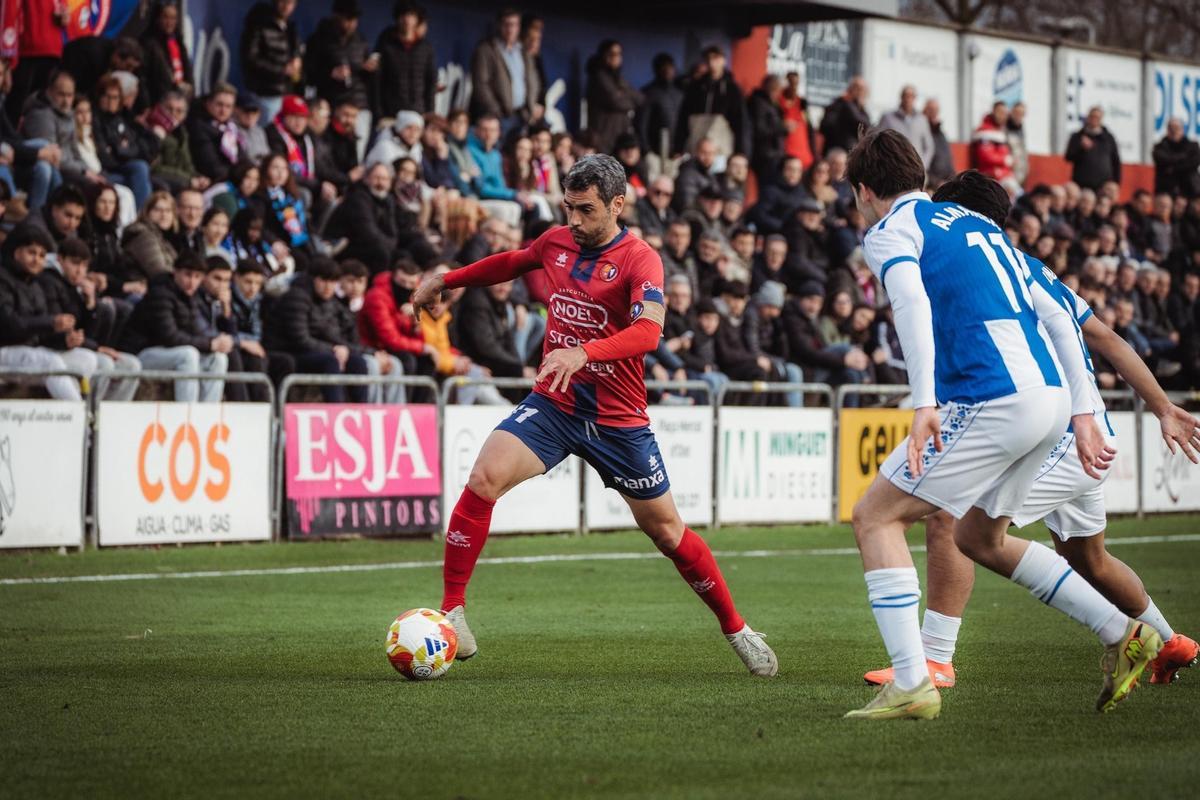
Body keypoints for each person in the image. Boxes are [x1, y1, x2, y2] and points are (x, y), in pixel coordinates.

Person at [411, 154, 776, 674]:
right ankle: (452, 612)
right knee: (484, 477)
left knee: (668, 533)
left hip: (618, 419)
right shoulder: (557, 241)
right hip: (554, 404)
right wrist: (449, 278)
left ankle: (737, 628)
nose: (574, 222)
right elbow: (512, 262)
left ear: (617, 205)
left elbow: (648, 332)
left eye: (585, 210)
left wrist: (585, 351)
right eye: (568, 208)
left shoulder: (641, 260)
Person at [843, 129, 1156, 721]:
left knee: (875, 516)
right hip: (1051, 403)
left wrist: (922, 401)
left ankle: (913, 680)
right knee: (976, 537)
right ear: (920, 176)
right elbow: (1064, 322)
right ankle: (1126, 633)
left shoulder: (890, 230)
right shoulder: (979, 226)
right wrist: (1084, 413)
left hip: (994, 398)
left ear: (864, 190)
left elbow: (908, 300)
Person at [36, 236, 141, 400]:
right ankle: (90, 417)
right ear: (60, 259)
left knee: (131, 365)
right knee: (104, 364)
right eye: (75, 263)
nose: (79, 271)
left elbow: (88, 333)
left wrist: (90, 305)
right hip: (56, 349)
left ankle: (107, 417)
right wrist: (96, 347)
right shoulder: (49, 282)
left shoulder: (77, 288)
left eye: (84, 266)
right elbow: (60, 332)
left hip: (82, 347)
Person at [0, 223, 96, 400]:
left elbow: (42, 336)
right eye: (31, 253)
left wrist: (65, 341)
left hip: (31, 352)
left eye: (42, 255)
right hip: (6, 351)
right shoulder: (3, 279)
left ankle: (77, 413)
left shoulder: (35, 285)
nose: (37, 260)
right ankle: (80, 420)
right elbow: (10, 324)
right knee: (50, 362)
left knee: (86, 359)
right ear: (16, 252)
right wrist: (51, 322)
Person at [119, 251, 230, 402]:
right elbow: (169, 337)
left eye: (197, 277)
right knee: (188, 355)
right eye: (187, 275)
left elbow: (197, 330)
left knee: (218, 359)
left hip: (168, 352)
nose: (192, 282)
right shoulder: (160, 293)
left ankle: (207, 416)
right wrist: (210, 344)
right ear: (175, 272)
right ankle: (187, 414)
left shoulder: (191, 297)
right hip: (142, 353)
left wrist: (219, 341)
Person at [262, 256, 369, 403]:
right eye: (324, 280)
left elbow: (330, 334)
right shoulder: (296, 297)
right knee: (330, 361)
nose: (328, 287)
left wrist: (346, 349)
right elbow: (300, 339)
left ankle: (361, 413)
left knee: (358, 362)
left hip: (310, 350)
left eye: (332, 282)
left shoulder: (327, 302)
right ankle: (335, 412)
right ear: (313, 279)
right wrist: (333, 350)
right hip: (287, 351)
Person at [469, 8, 542, 134]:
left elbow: (533, 80)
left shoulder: (523, 51)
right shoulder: (486, 49)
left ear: (519, 27)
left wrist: (532, 104)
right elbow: (480, 85)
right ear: (499, 25)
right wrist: (496, 111)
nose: (510, 29)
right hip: (499, 117)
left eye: (514, 25)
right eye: (506, 24)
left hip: (522, 115)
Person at [675, 46, 746, 160]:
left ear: (723, 60)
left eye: (716, 58)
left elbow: (741, 123)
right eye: (708, 59)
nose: (712, 62)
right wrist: (678, 148)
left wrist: (741, 152)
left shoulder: (732, 89)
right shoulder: (695, 87)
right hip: (695, 146)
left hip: (721, 149)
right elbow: (683, 118)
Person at [305, 0, 372, 116]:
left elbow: (368, 77)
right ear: (336, 16)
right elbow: (308, 72)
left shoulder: (361, 40)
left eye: (355, 19)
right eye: (347, 18)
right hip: (332, 105)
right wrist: (330, 73)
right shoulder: (319, 39)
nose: (351, 23)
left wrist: (368, 69)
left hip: (358, 106)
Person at [239, 0, 302, 124]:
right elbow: (250, 59)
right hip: (264, 94)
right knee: (264, 134)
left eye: (290, 3)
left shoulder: (290, 28)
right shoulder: (259, 23)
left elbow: (295, 53)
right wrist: (282, 70)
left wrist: (297, 61)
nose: (286, 6)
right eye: (283, 1)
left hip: (285, 93)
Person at [376, 2, 438, 118]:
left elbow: (431, 81)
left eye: (411, 15)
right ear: (397, 18)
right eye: (403, 15)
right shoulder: (386, 45)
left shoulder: (426, 47)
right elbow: (378, 81)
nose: (407, 20)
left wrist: (430, 111)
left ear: (417, 19)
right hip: (392, 112)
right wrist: (380, 113)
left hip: (418, 111)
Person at [585, 40, 642, 155]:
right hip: (603, 138)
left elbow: (639, 99)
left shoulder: (619, 78)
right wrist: (624, 98)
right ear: (605, 55)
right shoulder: (598, 77)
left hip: (619, 137)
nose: (617, 58)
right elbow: (616, 101)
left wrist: (622, 94)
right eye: (613, 54)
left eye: (619, 54)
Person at [140, 1, 193, 105]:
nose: (170, 22)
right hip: (159, 101)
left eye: (173, 18)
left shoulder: (178, 42)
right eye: (166, 17)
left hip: (181, 100)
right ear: (157, 18)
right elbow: (144, 78)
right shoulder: (148, 44)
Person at [188, 83, 242, 183]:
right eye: (219, 104)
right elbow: (212, 167)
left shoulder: (231, 128)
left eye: (228, 106)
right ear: (208, 103)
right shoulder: (198, 127)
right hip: (213, 182)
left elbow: (242, 157)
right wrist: (239, 177)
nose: (223, 110)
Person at [121, 191, 178, 280]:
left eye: (168, 210)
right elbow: (159, 271)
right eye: (158, 210)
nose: (164, 215)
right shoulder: (143, 235)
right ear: (147, 212)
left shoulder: (161, 238)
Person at [636, 53, 682, 159]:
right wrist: (647, 151)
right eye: (663, 67)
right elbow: (641, 124)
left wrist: (681, 149)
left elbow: (683, 125)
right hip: (654, 152)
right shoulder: (648, 93)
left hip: (676, 154)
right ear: (657, 70)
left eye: (670, 67)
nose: (667, 71)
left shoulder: (680, 94)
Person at [1066, 106, 1122, 192]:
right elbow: (1068, 157)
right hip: (1082, 184)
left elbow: (1116, 161)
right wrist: (1081, 148)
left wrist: (1116, 182)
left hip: (1104, 184)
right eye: (1092, 117)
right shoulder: (1077, 136)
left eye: (1097, 117)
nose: (1094, 119)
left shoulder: (1108, 138)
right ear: (1088, 118)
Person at [878, 85, 934, 169]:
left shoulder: (922, 120)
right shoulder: (888, 118)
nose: (908, 99)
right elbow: (878, 141)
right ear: (901, 97)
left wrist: (923, 165)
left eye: (911, 96)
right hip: (893, 168)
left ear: (915, 98)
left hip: (916, 169)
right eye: (906, 96)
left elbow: (929, 146)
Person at [748, 74, 788, 181]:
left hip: (774, 154)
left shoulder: (772, 105)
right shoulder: (758, 103)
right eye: (776, 89)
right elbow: (760, 130)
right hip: (765, 155)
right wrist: (783, 128)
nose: (778, 94)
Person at [970, 102, 1016, 194]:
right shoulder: (984, 131)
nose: (1003, 116)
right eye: (1000, 112)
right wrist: (1005, 160)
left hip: (1004, 175)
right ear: (993, 112)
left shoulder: (1002, 131)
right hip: (989, 176)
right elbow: (985, 157)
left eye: (1005, 113)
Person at [819, 76, 870, 155]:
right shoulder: (840, 104)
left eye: (863, 89)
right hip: (837, 151)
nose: (860, 92)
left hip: (853, 152)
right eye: (857, 88)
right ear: (850, 89)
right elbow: (825, 125)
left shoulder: (862, 110)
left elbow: (867, 128)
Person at [1152, 117, 1200, 198]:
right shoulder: (1159, 147)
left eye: (1177, 128)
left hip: (1191, 190)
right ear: (1167, 130)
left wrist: (1173, 168)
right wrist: (1184, 158)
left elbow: (1194, 162)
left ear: (1182, 130)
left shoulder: (1193, 146)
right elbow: (1162, 161)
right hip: (1167, 191)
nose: (1174, 131)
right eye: (1171, 128)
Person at [779, 71, 815, 169]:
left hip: (804, 155)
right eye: (791, 82)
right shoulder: (778, 102)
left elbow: (810, 128)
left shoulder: (802, 103)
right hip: (786, 154)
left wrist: (814, 154)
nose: (794, 86)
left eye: (796, 83)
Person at [924, 99, 954, 187]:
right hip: (931, 184)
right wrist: (936, 182)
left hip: (946, 181)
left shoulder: (941, 133)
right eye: (931, 110)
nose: (934, 113)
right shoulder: (922, 133)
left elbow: (948, 160)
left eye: (936, 110)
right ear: (924, 111)